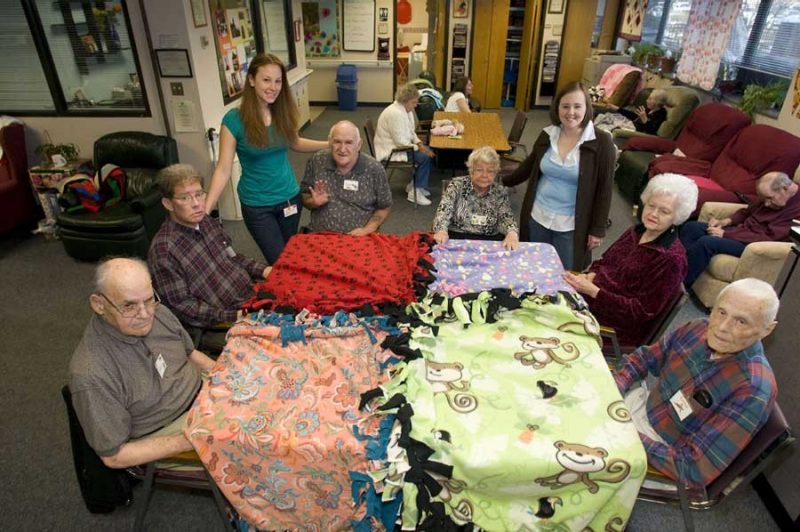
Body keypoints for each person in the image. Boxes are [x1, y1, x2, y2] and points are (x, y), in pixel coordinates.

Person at [613, 278, 779, 489]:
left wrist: (625, 434)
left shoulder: (753, 390)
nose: (722, 328)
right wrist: (613, 389)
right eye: (721, 312)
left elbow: (694, 469)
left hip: (664, 455)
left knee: (574, 457)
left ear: (767, 330)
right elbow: (643, 359)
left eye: (741, 322)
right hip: (641, 408)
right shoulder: (697, 328)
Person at [69, 258, 216, 468]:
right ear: (99, 304)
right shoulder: (91, 374)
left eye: (148, 300)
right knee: (263, 447)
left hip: (203, 392)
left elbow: (190, 354)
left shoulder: (159, 313)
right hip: (169, 430)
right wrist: (189, 440)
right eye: (129, 306)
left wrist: (224, 374)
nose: (145, 314)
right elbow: (114, 456)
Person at [204, 53, 328, 264]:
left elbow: (295, 142)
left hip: (290, 197)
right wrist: (206, 211)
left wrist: (329, 144)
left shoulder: (283, 111)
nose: (273, 87)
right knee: (280, 262)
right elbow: (223, 169)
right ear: (252, 80)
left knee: (293, 254)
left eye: (278, 81)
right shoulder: (234, 120)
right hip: (257, 204)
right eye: (266, 80)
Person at [563, 173, 698, 347]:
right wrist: (590, 274)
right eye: (651, 205)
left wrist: (594, 292)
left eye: (664, 211)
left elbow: (640, 312)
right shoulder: (637, 231)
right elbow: (604, 261)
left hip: (612, 328)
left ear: (677, 217)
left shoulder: (671, 259)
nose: (653, 214)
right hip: (588, 301)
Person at [502, 81, 615, 270]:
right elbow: (528, 168)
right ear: (557, 108)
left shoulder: (602, 142)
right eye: (565, 106)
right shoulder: (548, 135)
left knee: (566, 273)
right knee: (532, 268)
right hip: (537, 216)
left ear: (587, 108)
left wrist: (597, 229)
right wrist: (497, 182)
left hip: (572, 224)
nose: (571, 112)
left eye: (577, 106)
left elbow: (605, 189)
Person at [148, 164, 271, 329]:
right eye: (185, 198)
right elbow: (183, 307)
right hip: (225, 317)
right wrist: (235, 316)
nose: (197, 204)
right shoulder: (164, 250)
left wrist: (264, 270)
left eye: (199, 195)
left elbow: (233, 257)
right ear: (168, 204)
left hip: (251, 293)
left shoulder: (206, 221)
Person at [680, 171, 800, 288]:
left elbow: (769, 237)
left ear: (785, 188)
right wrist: (725, 221)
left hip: (752, 243)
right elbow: (746, 212)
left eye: (769, 198)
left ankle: (679, 286)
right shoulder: (772, 196)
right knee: (692, 227)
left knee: (706, 242)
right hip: (740, 231)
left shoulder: (796, 209)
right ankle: (676, 270)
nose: (767, 204)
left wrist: (726, 234)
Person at [301, 121, 392, 235]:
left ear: (359, 145)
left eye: (349, 142)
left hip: (360, 238)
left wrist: (366, 230)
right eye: (337, 142)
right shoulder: (317, 161)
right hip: (321, 235)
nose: (342, 149)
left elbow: (384, 206)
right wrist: (313, 202)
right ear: (330, 142)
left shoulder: (374, 169)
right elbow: (304, 194)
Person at [432, 146, 519, 250]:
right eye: (479, 170)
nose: (484, 175)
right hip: (457, 237)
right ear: (471, 170)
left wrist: (512, 233)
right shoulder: (457, 185)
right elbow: (444, 211)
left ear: (496, 173)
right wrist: (441, 230)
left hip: (489, 240)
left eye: (490, 171)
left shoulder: (499, 191)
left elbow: (507, 217)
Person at [374, 83, 435, 206]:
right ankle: (415, 192)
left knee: (426, 152)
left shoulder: (404, 110)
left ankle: (415, 185)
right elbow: (400, 142)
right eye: (413, 102)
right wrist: (421, 149)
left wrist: (419, 144)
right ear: (405, 101)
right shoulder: (395, 114)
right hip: (392, 150)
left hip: (401, 146)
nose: (416, 105)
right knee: (425, 158)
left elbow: (411, 132)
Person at [600, 89, 668, 135]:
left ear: (657, 102)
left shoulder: (661, 114)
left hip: (636, 133)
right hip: (631, 124)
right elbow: (634, 116)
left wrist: (645, 120)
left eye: (650, 99)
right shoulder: (649, 109)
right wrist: (617, 108)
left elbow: (651, 132)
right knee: (604, 117)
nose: (647, 100)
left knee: (607, 128)